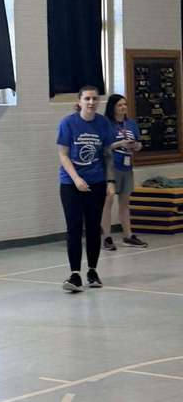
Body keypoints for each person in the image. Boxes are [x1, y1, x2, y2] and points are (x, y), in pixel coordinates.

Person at [57, 84, 124, 292]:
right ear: (79, 102)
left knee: (94, 227)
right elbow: (63, 154)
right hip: (71, 183)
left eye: (95, 99)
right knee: (74, 228)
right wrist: (76, 178)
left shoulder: (103, 124)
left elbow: (107, 154)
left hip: (96, 182)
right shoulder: (68, 123)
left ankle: (93, 271)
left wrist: (110, 181)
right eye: (87, 99)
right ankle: (75, 274)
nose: (91, 102)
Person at [101, 93, 148, 251]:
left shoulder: (131, 123)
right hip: (112, 166)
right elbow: (103, 147)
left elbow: (139, 143)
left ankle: (128, 235)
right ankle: (106, 237)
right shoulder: (106, 123)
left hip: (127, 167)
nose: (123, 107)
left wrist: (136, 146)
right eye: (119, 105)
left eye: (125, 104)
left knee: (124, 203)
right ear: (112, 107)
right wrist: (119, 143)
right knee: (108, 201)